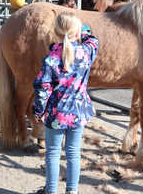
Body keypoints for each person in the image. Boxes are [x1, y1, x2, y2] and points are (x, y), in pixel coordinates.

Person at [32, 12, 98, 194]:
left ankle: (51, 191)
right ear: (77, 32)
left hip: (55, 115)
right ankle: (72, 191)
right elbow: (93, 40)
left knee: (52, 154)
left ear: (56, 32)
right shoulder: (86, 52)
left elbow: (43, 90)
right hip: (78, 113)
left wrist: (38, 112)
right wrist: (82, 31)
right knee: (73, 153)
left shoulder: (50, 59)